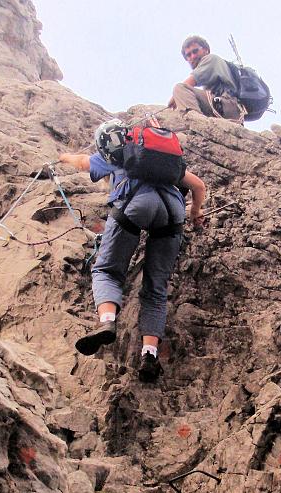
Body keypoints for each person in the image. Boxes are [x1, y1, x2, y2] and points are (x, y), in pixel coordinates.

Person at [59, 119, 206, 382]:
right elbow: (198, 185)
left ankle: (107, 321)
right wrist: (195, 213)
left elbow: (83, 162)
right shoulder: (156, 157)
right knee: (156, 288)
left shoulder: (116, 155)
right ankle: (149, 355)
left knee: (107, 270)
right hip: (172, 212)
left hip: (136, 206)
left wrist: (63, 157)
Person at [169, 35, 243, 123]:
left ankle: (196, 124)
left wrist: (174, 98)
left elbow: (190, 82)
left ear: (206, 50)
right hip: (224, 108)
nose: (193, 56)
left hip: (227, 105)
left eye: (195, 51)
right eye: (188, 55)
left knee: (180, 88)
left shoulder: (211, 59)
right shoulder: (210, 75)